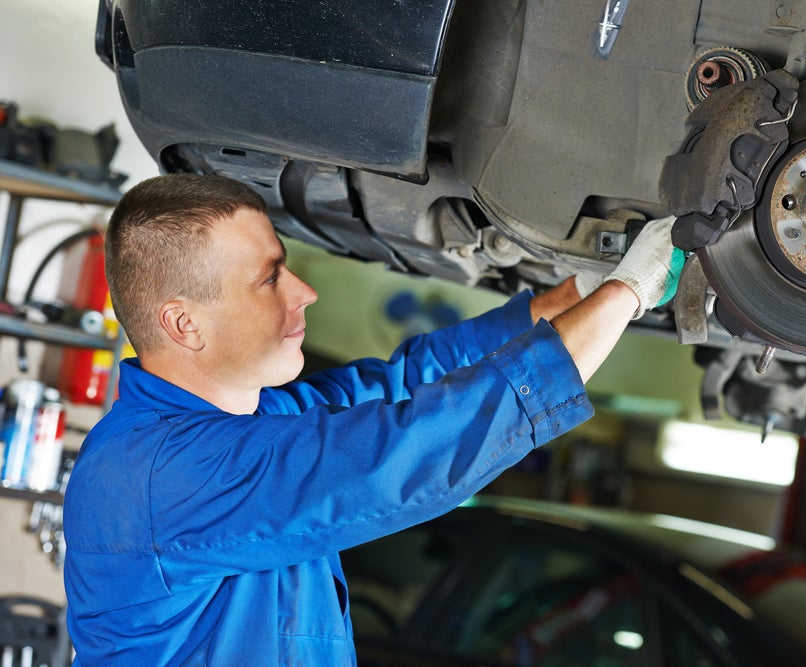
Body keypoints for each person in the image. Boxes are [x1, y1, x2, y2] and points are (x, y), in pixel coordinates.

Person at [62, 173, 683, 665]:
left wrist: (573, 295)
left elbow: (408, 385)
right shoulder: (159, 476)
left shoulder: (256, 416)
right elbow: (397, 456)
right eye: (269, 278)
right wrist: (626, 293)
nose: (303, 291)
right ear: (184, 324)